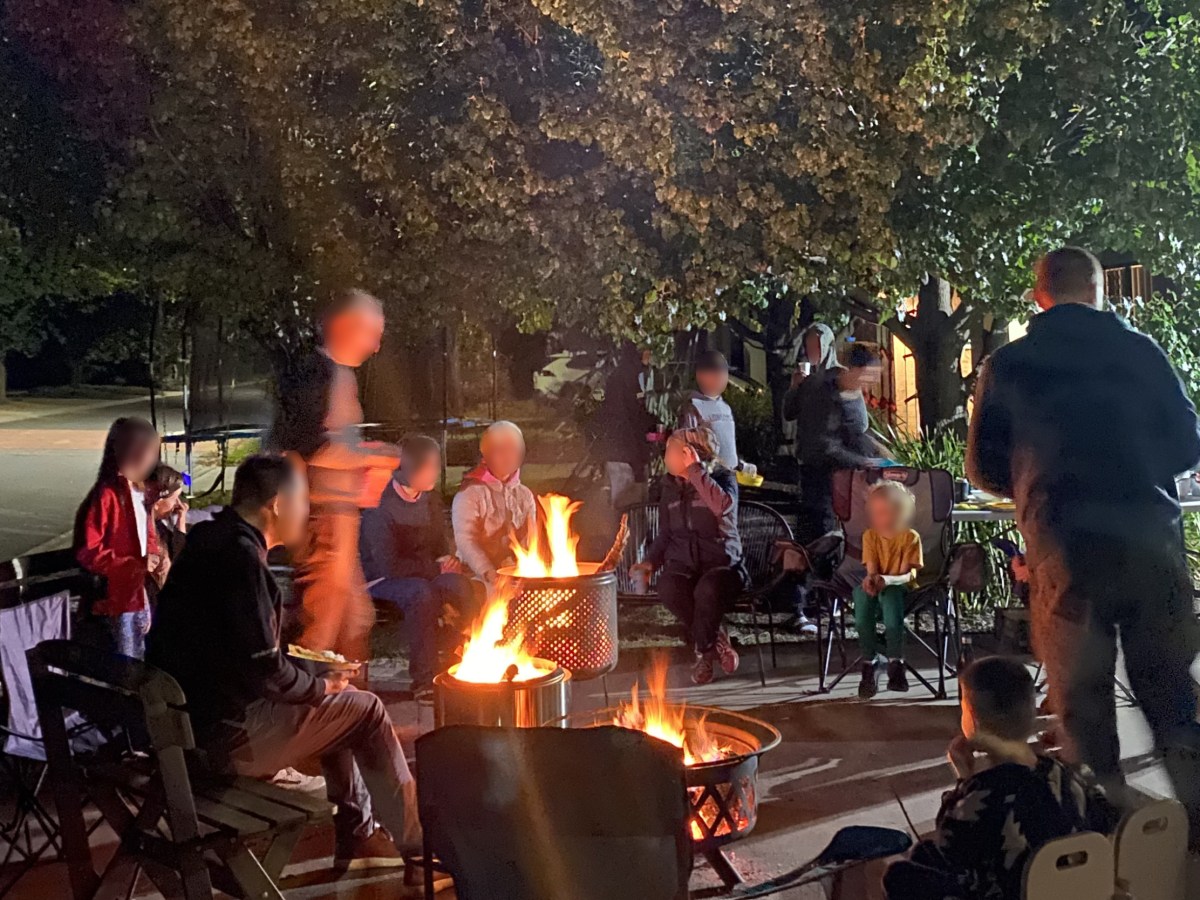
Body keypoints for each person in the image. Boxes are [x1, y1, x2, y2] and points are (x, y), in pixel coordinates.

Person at [967, 246, 1200, 842]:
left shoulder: (1010, 365)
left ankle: (1110, 845)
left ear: (1038, 295)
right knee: (1174, 700)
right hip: (1151, 546)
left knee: (1085, 713)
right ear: (1099, 293)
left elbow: (984, 469)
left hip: (1066, 552)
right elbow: (1188, 444)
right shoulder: (1142, 353)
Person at [147, 455, 426, 873]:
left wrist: (318, 677)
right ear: (277, 504)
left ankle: (359, 832)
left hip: (186, 727)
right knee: (364, 709)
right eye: (303, 503)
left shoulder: (207, 540)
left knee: (340, 703)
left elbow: (236, 650)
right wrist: (318, 686)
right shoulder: (243, 561)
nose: (307, 514)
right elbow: (266, 672)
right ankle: (417, 847)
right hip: (227, 741)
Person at [884, 656, 1116, 900]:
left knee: (898, 875)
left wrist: (964, 779)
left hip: (1008, 892)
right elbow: (1104, 815)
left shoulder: (980, 798)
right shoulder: (1066, 775)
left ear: (972, 719)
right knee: (923, 852)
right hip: (1072, 890)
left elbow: (950, 847)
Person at [268, 289, 400, 663]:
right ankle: (306, 706)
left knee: (355, 620)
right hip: (324, 519)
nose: (376, 346)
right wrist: (375, 458)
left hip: (339, 518)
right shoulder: (319, 373)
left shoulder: (337, 374)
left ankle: (349, 705)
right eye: (372, 333)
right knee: (321, 626)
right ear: (344, 326)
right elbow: (310, 446)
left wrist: (367, 458)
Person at [360, 435, 475, 695]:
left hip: (425, 572)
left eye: (437, 464)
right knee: (421, 594)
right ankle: (425, 680)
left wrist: (448, 560)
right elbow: (387, 564)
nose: (435, 471)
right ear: (409, 467)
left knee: (458, 585)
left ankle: (458, 664)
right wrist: (434, 568)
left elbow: (439, 542)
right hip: (383, 579)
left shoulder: (429, 499)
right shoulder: (380, 505)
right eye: (429, 465)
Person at [631, 427, 744, 685]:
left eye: (671, 450)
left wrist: (696, 472)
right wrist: (650, 562)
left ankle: (703, 654)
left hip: (723, 566)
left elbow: (723, 507)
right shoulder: (669, 487)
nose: (665, 455)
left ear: (689, 454)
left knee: (707, 589)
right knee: (668, 587)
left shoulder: (723, 478)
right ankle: (715, 640)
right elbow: (666, 534)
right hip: (685, 567)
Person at [74, 417, 163, 659]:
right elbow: (88, 551)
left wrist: (154, 558)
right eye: (150, 452)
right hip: (117, 600)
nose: (154, 459)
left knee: (142, 658)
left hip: (139, 592)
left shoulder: (141, 491)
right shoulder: (107, 495)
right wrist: (131, 566)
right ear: (130, 452)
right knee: (126, 663)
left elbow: (147, 535)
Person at [854, 481, 922, 698]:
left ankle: (895, 663)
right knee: (862, 596)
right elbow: (872, 571)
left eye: (886, 512)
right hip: (879, 585)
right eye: (876, 513)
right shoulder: (870, 536)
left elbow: (906, 576)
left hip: (900, 588)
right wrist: (871, 581)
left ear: (901, 513)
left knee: (891, 595)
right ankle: (869, 663)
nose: (881, 518)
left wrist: (887, 580)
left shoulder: (910, 537)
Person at [452, 421, 537, 586]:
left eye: (514, 449)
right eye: (501, 449)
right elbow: (466, 541)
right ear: (485, 454)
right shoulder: (470, 494)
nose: (509, 456)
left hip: (515, 573)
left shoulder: (524, 495)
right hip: (476, 576)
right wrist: (489, 572)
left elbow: (531, 538)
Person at [593, 343, 658, 508]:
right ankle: (626, 533)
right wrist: (652, 426)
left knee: (627, 502)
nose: (650, 355)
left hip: (620, 451)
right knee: (628, 505)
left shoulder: (623, 374)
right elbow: (633, 414)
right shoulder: (629, 376)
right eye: (647, 350)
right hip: (625, 452)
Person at [678, 350, 747, 477]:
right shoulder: (694, 406)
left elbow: (728, 445)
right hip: (709, 478)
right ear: (701, 375)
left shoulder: (725, 407)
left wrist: (740, 465)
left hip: (731, 476)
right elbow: (686, 445)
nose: (721, 376)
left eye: (724, 371)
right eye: (715, 371)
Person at [147, 463, 189, 566]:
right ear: (158, 503)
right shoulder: (139, 534)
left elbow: (178, 554)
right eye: (175, 499)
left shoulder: (159, 527)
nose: (178, 504)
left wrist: (181, 518)